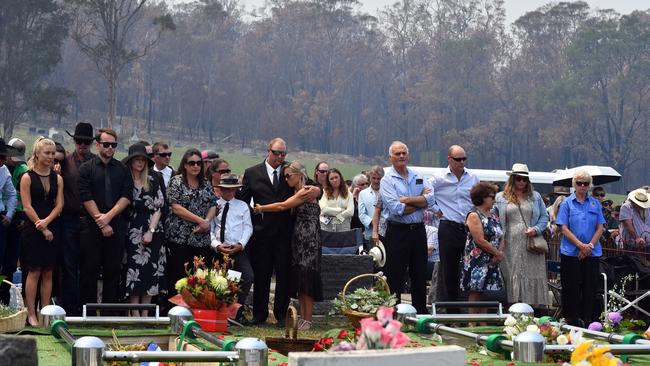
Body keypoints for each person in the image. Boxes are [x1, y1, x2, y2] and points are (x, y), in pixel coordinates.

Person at [239, 138, 319, 327]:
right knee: (261, 274)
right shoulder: (252, 173)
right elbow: (244, 202)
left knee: (284, 276)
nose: (280, 157)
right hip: (262, 233)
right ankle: (259, 314)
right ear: (269, 151)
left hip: (287, 233)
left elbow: (313, 186)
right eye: (277, 153)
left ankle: (282, 315)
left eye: (283, 154)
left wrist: (317, 190)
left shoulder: (289, 171)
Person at [254, 161, 322, 330]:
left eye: (288, 175)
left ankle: (308, 318)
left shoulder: (306, 191)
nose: (286, 179)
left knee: (307, 278)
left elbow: (282, 206)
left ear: (299, 175)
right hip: (298, 239)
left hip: (309, 240)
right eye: (284, 176)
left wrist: (261, 208)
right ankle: (302, 317)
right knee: (300, 279)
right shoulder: (296, 191)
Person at [78, 128, 134, 307]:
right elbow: (85, 196)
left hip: (116, 225)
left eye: (113, 145)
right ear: (97, 145)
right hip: (91, 227)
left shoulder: (123, 169)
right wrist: (101, 222)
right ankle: (89, 314)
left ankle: (109, 314)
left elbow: (126, 196)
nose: (110, 148)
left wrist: (108, 218)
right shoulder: (86, 168)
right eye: (106, 144)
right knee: (89, 271)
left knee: (113, 271)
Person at [380, 141, 434, 314]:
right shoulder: (387, 180)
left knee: (419, 273)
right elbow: (397, 209)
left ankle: (419, 313)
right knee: (395, 274)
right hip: (398, 231)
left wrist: (408, 199)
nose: (401, 156)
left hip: (418, 230)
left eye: (404, 153)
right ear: (391, 158)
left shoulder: (417, 175)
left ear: (408, 155)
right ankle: (392, 313)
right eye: (397, 154)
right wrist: (420, 201)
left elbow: (431, 199)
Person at [20, 137, 64, 326]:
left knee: (48, 271)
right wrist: (41, 226)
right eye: (47, 153)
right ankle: (31, 313)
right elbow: (27, 206)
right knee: (34, 271)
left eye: (53, 153)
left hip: (52, 225)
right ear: (37, 154)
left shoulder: (58, 178)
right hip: (33, 228)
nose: (50, 157)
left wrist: (47, 223)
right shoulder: (27, 177)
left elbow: (60, 204)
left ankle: (45, 312)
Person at [430, 145, 479, 306]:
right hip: (448, 227)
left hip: (468, 227)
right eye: (458, 159)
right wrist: (436, 210)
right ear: (449, 159)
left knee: (469, 266)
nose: (462, 162)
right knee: (448, 270)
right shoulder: (438, 178)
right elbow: (425, 194)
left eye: (464, 159)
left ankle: (467, 307)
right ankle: (451, 310)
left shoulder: (472, 177)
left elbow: (479, 199)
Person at [555, 170, 605, 326]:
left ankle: (589, 319)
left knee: (590, 288)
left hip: (592, 252)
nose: (583, 186)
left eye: (586, 183)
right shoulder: (567, 203)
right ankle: (571, 319)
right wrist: (580, 246)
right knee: (571, 287)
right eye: (579, 183)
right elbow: (563, 228)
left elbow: (600, 227)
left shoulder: (595, 203)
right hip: (571, 253)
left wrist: (589, 246)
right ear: (574, 185)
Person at [495, 163, 549, 307]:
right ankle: (510, 308)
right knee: (511, 272)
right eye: (518, 179)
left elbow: (545, 217)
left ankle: (531, 309)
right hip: (509, 243)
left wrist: (536, 229)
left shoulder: (535, 197)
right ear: (512, 179)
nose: (521, 182)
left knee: (531, 274)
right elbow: (494, 218)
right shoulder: (500, 197)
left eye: (525, 179)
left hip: (531, 243)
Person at [165, 149, 218, 295]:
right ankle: (176, 313)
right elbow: (176, 208)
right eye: (192, 163)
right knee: (178, 279)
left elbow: (213, 204)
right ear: (185, 165)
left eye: (199, 163)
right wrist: (200, 221)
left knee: (199, 280)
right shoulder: (176, 182)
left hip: (201, 240)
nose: (196, 166)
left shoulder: (206, 183)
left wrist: (207, 221)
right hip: (179, 239)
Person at [122, 144, 167, 316]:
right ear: (131, 161)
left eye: (143, 160)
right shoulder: (126, 179)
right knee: (133, 270)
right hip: (132, 228)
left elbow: (159, 207)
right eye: (137, 159)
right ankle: (134, 313)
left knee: (150, 270)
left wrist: (151, 230)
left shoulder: (154, 179)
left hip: (153, 227)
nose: (140, 163)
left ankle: (146, 312)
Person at [60, 122, 95, 315]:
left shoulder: (96, 162)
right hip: (69, 218)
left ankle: (86, 310)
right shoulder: (65, 162)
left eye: (86, 142)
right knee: (69, 267)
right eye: (79, 141)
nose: (82, 145)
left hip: (91, 220)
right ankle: (70, 310)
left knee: (88, 267)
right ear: (74, 141)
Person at [210, 174, 254, 322]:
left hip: (236, 249)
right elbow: (210, 228)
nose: (229, 193)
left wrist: (240, 244)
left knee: (246, 277)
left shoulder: (242, 206)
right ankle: (221, 313)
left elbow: (248, 228)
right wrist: (216, 245)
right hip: (220, 250)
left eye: (232, 190)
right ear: (220, 190)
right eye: (226, 190)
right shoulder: (215, 205)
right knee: (221, 282)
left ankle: (236, 311)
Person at [459, 182, 504, 318]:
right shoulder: (474, 215)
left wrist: (499, 254)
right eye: (491, 196)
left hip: (493, 260)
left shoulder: (494, 213)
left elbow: (502, 234)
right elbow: (479, 240)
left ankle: (484, 320)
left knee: (486, 293)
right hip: (477, 260)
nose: (494, 199)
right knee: (475, 291)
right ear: (482, 197)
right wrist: (496, 253)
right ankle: (472, 321)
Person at [0, 138, 26, 305]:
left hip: (6, 219)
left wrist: (10, 214)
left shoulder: (7, 171)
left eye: (3, 157)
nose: (2, 161)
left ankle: (3, 300)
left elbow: (12, 195)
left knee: (6, 262)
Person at [359, 166, 384, 243]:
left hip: (386, 233)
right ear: (370, 178)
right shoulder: (363, 194)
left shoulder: (387, 193)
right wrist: (373, 223)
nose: (376, 181)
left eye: (378, 178)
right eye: (373, 178)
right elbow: (362, 214)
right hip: (370, 234)